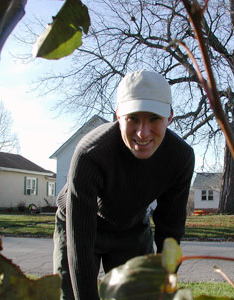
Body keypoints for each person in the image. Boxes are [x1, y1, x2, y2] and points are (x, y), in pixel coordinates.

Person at [53, 70, 195, 300]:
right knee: (72, 295)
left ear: (169, 117)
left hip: (130, 226)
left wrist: (165, 285)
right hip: (79, 222)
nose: (142, 132)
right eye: (133, 118)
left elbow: (171, 226)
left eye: (154, 119)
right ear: (118, 114)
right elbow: (81, 245)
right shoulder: (91, 153)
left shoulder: (180, 157)